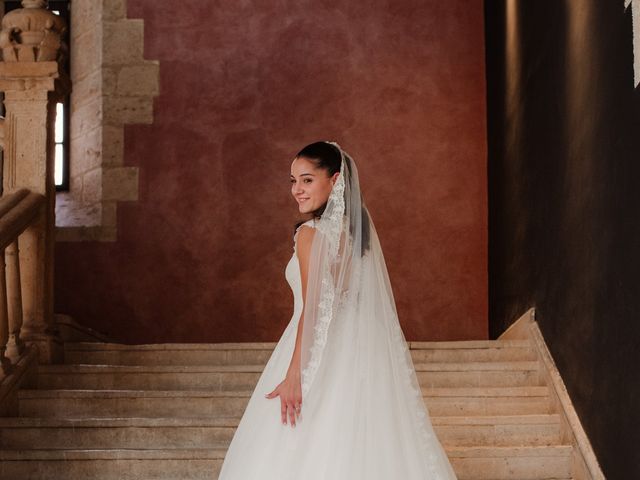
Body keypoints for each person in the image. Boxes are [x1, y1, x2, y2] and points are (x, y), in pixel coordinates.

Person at [217, 141, 458, 479]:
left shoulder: (310, 235)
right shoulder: (356, 237)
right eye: (292, 181)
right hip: (358, 350)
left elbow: (313, 310)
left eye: (306, 180)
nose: (297, 190)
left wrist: (295, 374)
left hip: (321, 349)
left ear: (334, 180)